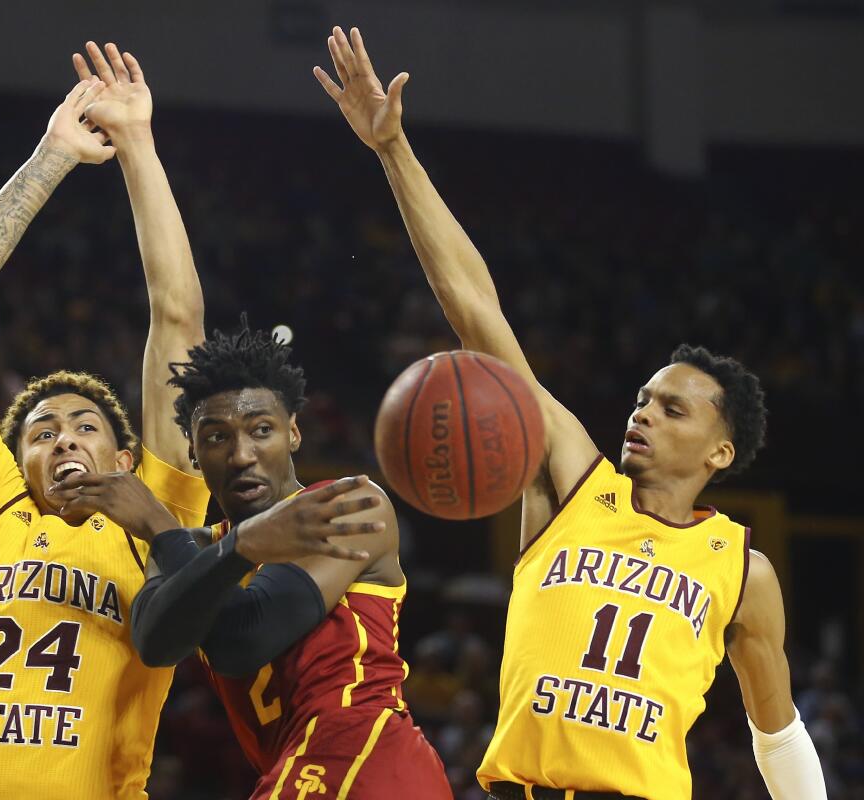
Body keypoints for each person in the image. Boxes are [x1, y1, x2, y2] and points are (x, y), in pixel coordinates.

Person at [313, 25, 827, 800]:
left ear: (721, 452)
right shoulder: (574, 483)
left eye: (674, 409)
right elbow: (479, 317)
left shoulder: (741, 568)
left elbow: (776, 730)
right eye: (644, 399)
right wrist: (393, 151)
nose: (644, 414)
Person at [0, 42, 209, 799]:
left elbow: (177, 318)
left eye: (86, 427)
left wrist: (137, 144)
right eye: (41, 433)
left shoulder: (156, 518)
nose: (64, 438)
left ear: (124, 459)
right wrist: (54, 155)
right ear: (14, 468)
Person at [101, 320, 452, 800]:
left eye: (261, 430)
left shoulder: (349, 505)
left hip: (363, 755)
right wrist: (183, 543)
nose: (242, 454)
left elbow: (244, 638)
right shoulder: (194, 548)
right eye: (217, 437)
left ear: (293, 434)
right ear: (195, 453)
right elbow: (156, 643)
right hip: (299, 766)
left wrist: (161, 528)